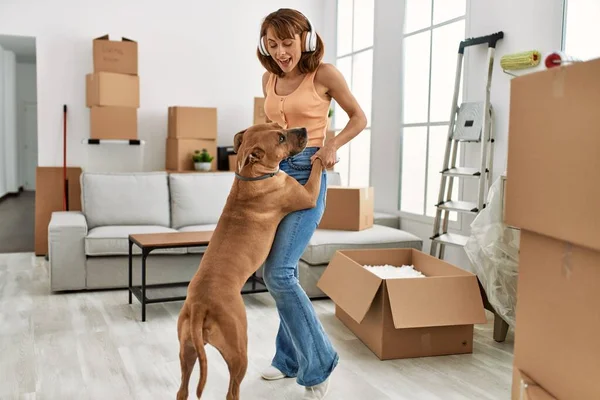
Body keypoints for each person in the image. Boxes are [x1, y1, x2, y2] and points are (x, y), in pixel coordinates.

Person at [256, 8, 367, 400]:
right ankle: (288, 359)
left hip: (309, 171)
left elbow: (359, 117)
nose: (281, 51)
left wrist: (332, 144)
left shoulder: (324, 74)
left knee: (279, 272)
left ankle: (318, 364)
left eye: (287, 42)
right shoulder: (269, 77)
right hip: (275, 175)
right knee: (278, 270)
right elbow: (270, 128)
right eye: (272, 43)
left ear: (305, 36)